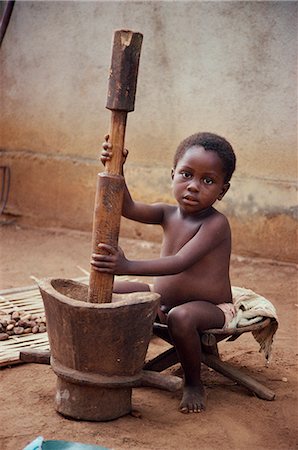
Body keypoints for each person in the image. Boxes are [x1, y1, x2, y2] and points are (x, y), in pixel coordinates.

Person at [91, 132, 236, 413]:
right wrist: (116, 167)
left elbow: (180, 261)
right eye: (186, 174)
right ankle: (109, 360)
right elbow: (126, 207)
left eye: (207, 180)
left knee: (182, 317)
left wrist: (128, 265)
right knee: (107, 287)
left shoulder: (216, 224)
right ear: (173, 175)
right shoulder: (167, 213)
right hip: (163, 302)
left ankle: (194, 382)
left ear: (222, 190)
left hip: (211, 310)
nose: (193, 186)